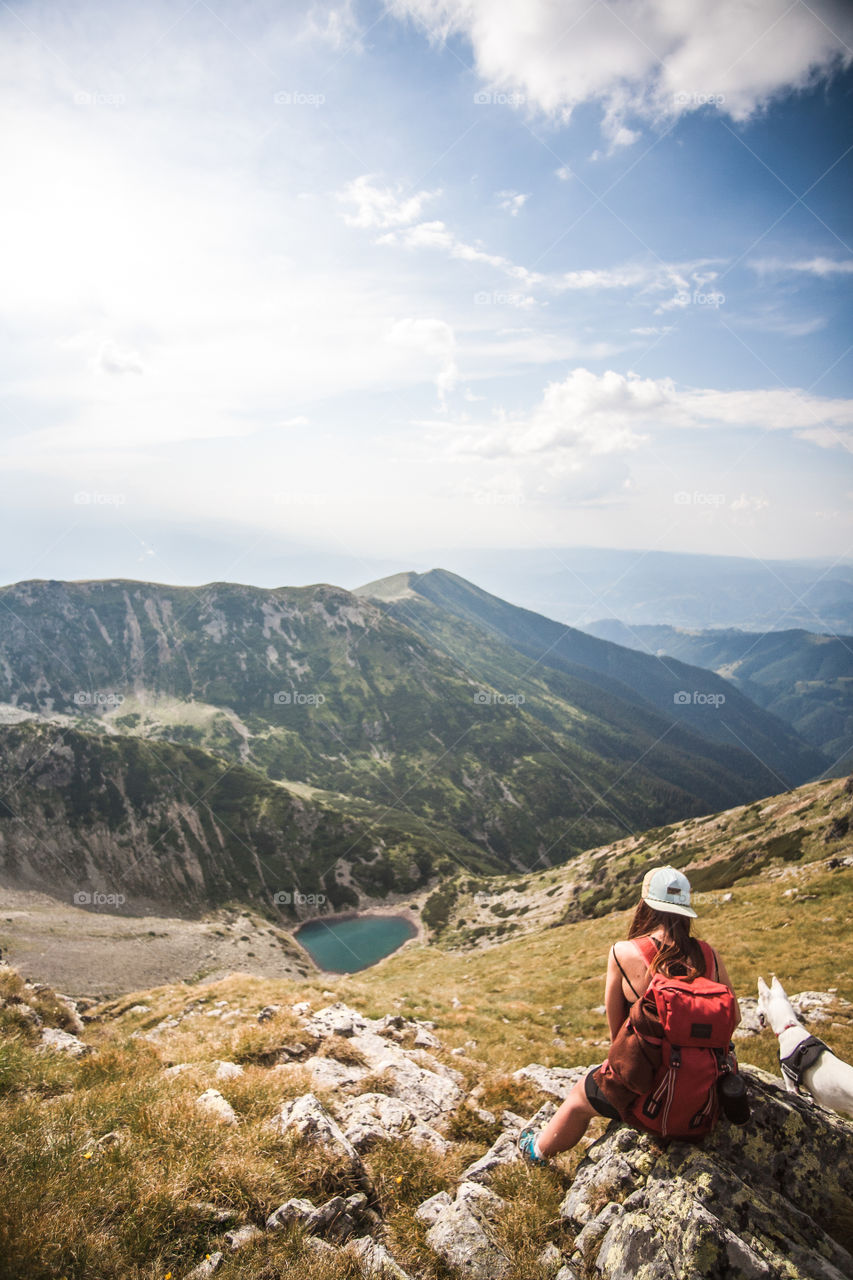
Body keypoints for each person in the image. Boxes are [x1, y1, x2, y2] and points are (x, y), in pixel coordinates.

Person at [518, 864, 738, 1163]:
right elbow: (734, 1017)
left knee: (578, 1100)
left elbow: (617, 1034)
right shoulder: (709, 955)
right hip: (705, 1091)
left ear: (645, 904)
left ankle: (536, 1151)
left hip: (648, 1089)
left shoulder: (623, 952)